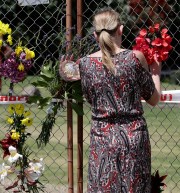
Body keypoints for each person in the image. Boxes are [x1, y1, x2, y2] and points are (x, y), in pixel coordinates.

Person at [59, 8, 162, 193]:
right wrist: (155, 72)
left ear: (95, 35)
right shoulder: (134, 58)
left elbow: (84, 91)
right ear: (120, 30)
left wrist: (64, 71)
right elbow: (154, 99)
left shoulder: (85, 65)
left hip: (102, 138)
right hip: (134, 138)